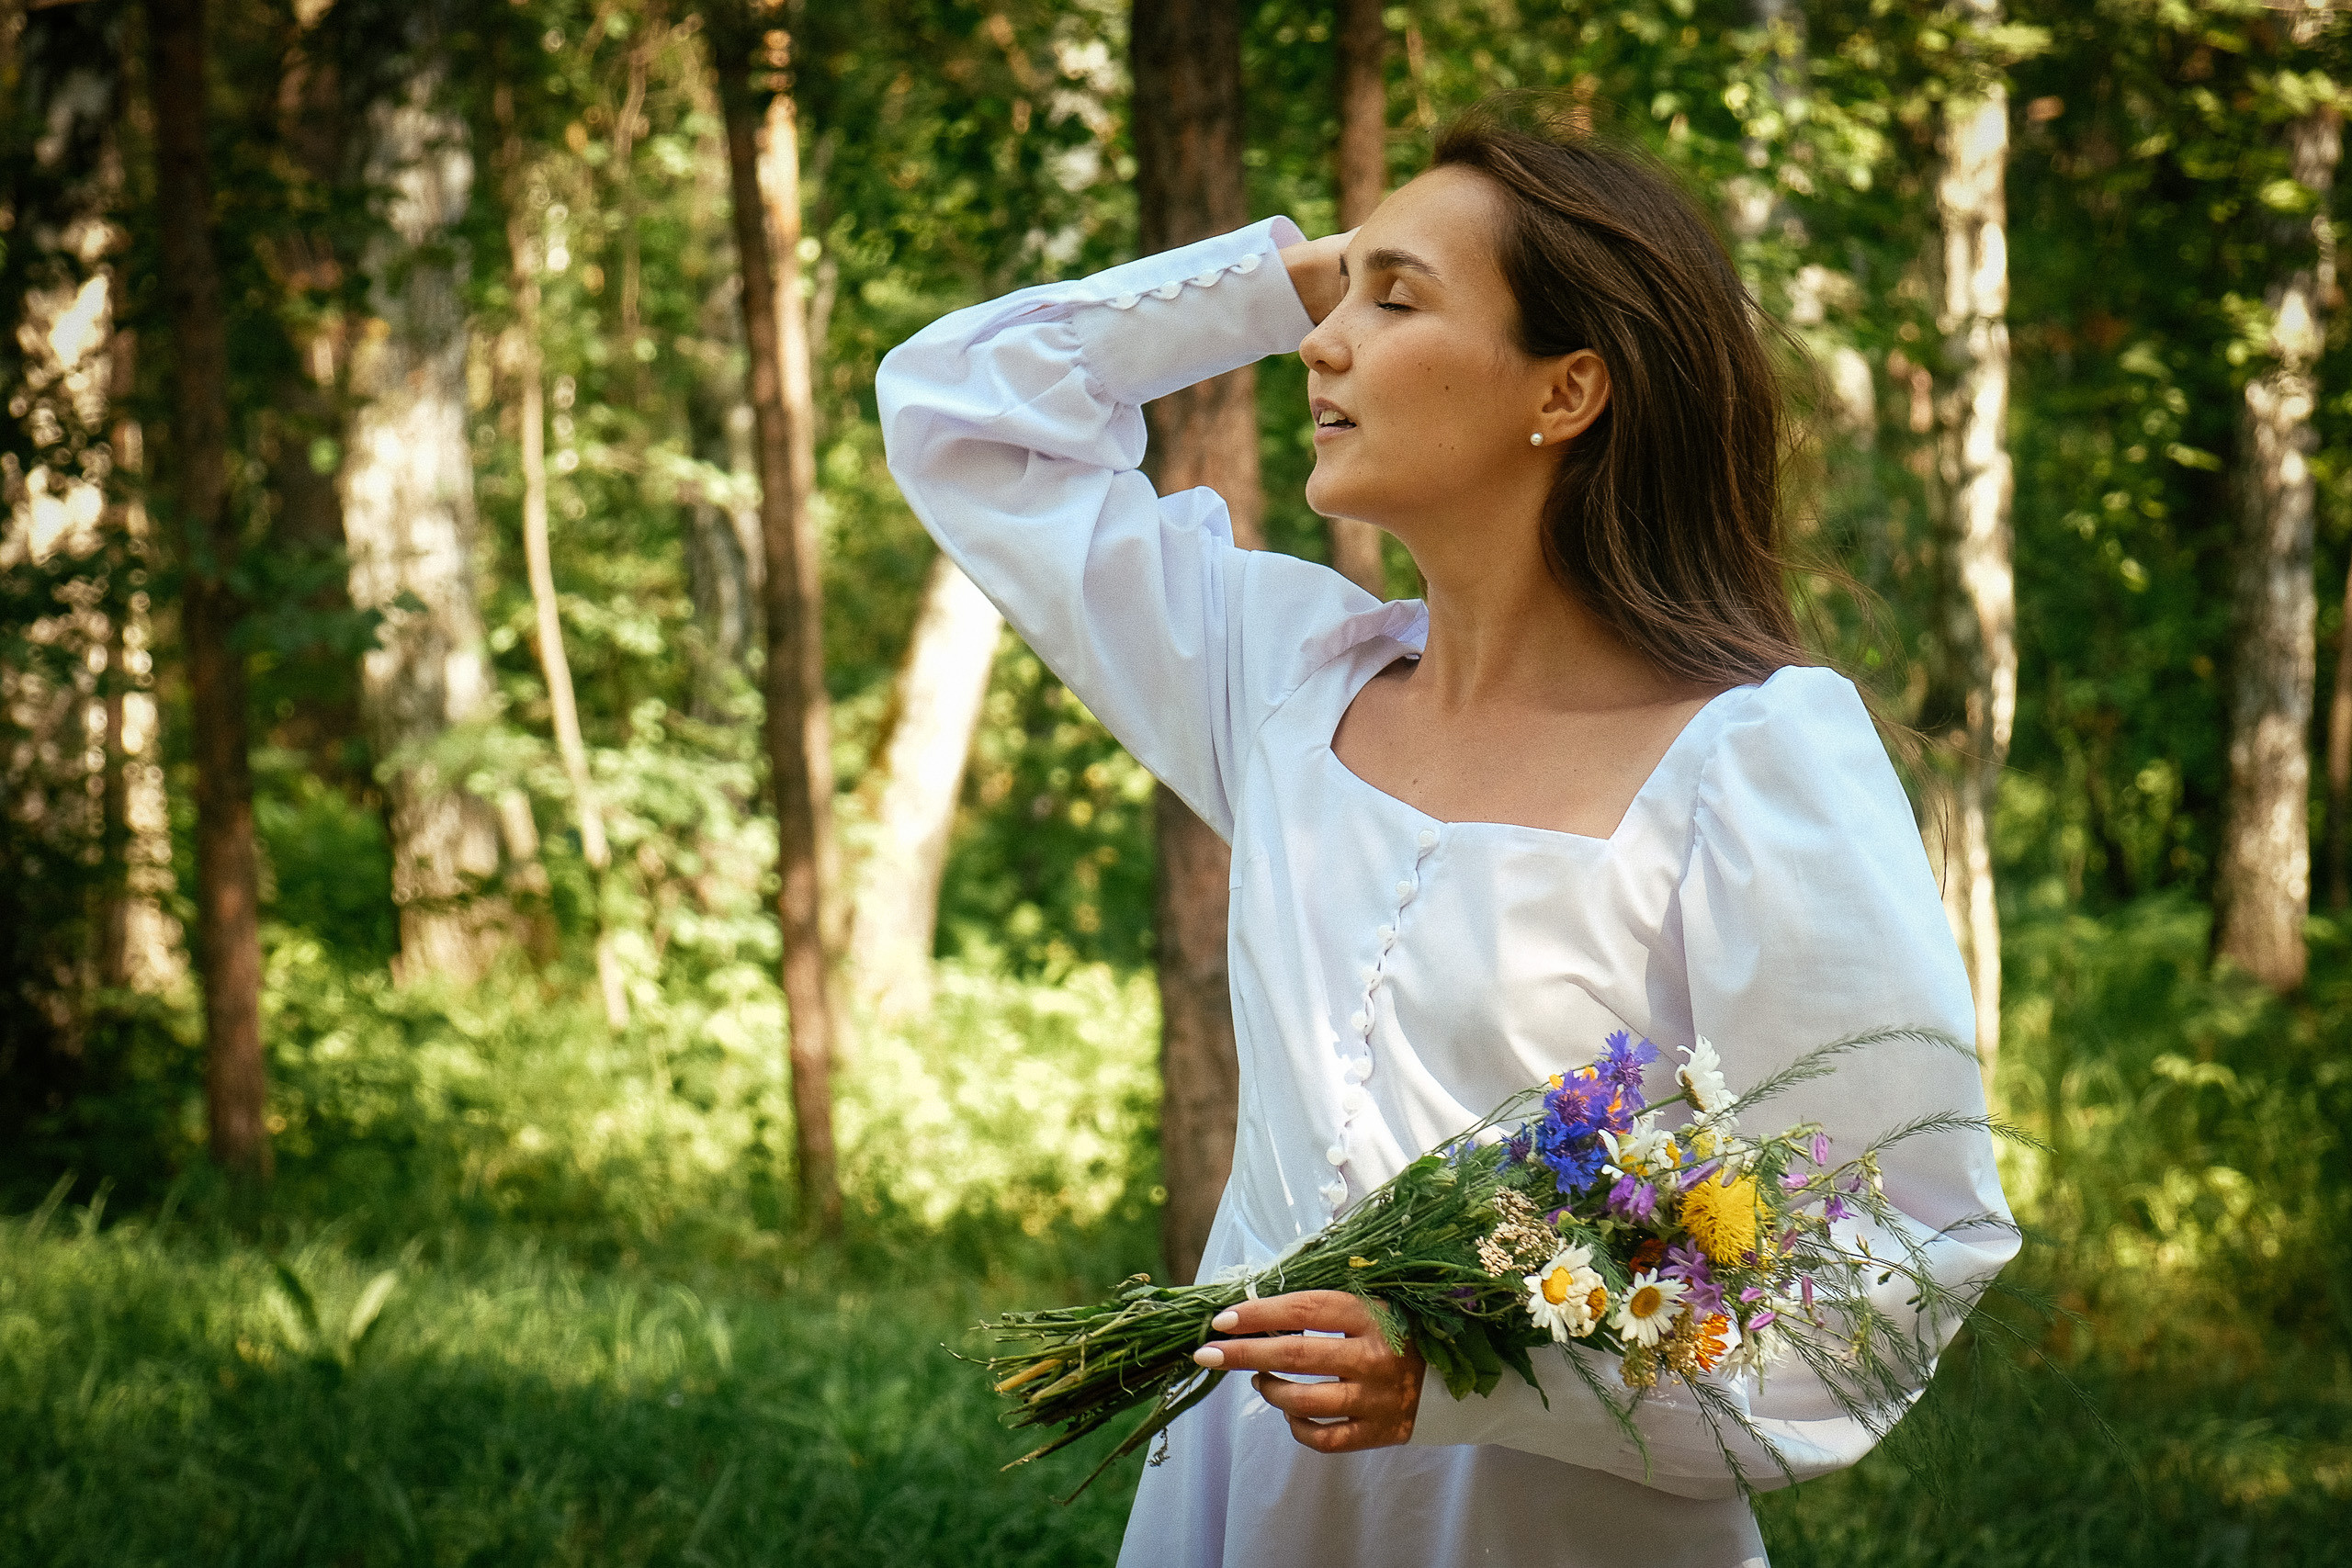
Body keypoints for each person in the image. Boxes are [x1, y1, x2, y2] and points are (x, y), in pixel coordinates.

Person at [877, 103, 2016, 1568]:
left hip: (1559, 1522)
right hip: (1247, 1496)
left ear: (1569, 391)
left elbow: (1911, 1236)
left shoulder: (1758, 759)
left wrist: (1502, 1381)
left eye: (1392, 300)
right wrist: (1287, 274)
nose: (1322, 345)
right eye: (1341, 297)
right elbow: (963, 408)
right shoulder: (1286, 680)